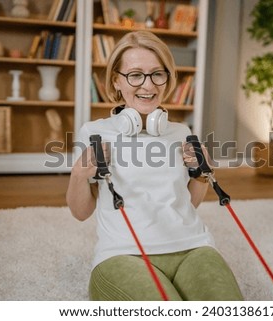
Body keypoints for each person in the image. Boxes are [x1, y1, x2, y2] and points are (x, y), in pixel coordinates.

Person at [66, 30, 243, 301]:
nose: (148, 86)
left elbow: (186, 204)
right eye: (135, 75)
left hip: (193, 247)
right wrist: (79, 174)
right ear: (116, 81)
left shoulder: (182, 132)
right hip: (122, 255)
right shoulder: (94, 132)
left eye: (157, 74)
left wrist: (201, 174)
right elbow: (80, 213)